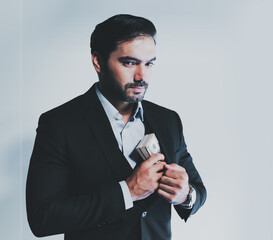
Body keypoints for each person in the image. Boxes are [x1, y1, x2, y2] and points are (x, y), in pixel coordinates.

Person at [26, 14, 206, 240]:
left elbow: (198, 189)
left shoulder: (168, 120)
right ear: (98, 62)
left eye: (149, 63)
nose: (142, 76)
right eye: (129, 62)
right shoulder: (59, 124)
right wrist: (128, 192)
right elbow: (43, 218)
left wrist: (185, 195)